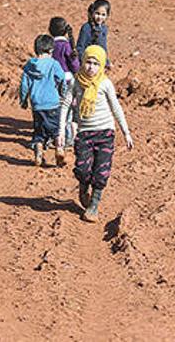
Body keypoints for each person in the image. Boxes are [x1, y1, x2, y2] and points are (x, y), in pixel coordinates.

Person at [58, 45, 132, 222]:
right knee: (83, 169)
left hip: (105, 133)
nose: (91, 67)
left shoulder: (105, 83)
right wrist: (61, 131)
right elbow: (65, 105)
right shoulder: (76, 82)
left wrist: (126, 132)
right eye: (88, 62)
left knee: (101, 172)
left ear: (102, 66)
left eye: (95, 63)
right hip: (84, 133)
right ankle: (83, 187)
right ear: (83, 63)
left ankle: (94, 205)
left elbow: (116, 108)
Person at [20, 34, 66, 166]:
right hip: (53, 103)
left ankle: (39, 152)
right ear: (51, 51)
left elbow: (24, 85)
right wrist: (62, 93)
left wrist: (23, 100)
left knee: (38, 131)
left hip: (37, 105)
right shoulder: (54, 64)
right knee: (56, 130)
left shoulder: (29, 65)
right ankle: (59, 149)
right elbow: (62, 79)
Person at [49, 17, 80, 159]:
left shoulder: (50, 45)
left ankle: (52, 138)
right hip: (67, 80)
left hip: (52, 80)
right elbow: (74, 64)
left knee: (54, 109)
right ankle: (67, 139)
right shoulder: (66, 45)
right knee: (66, 110)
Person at [76, 0, 111, 67]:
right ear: (92, 12)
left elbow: (103, 47)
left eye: (103, 15)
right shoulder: (86, 28)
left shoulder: (104, 28)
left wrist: (106, 61)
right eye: (97, 13)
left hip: (99, 63)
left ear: (107, 16)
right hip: (88, 63)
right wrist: (84, 62)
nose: (100, 17)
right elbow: (80, 47)